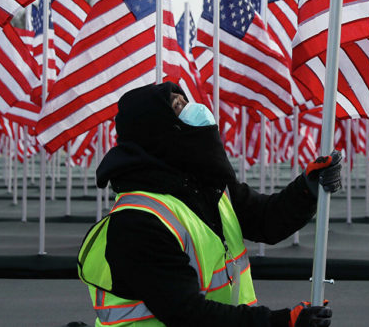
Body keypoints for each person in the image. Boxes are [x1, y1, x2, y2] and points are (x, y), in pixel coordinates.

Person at [77, 82, 341, 327]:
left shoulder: (207, 185)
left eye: (185, 99)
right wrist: (281, 322)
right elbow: (188, 313)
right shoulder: (138, 220)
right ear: (157, 129)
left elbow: (266, 221)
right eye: (178, 105)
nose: (196, 110)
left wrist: (307, 189)